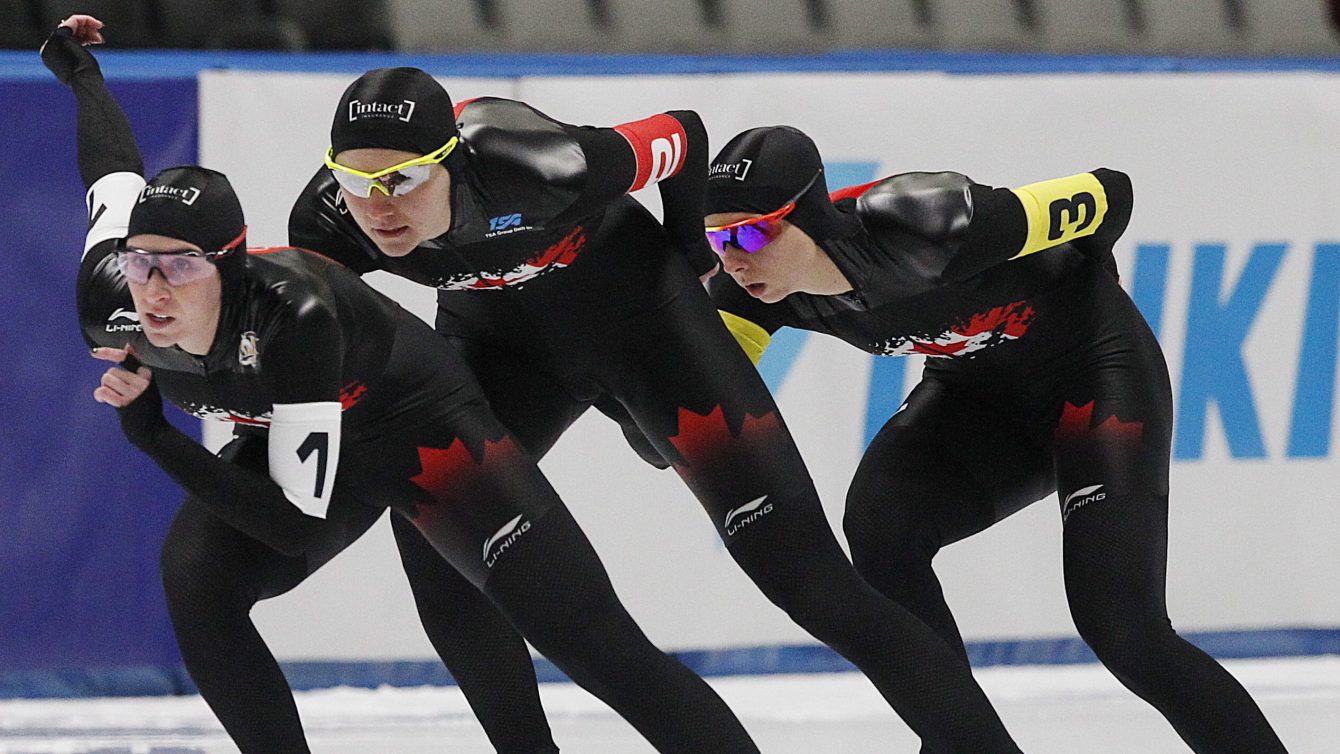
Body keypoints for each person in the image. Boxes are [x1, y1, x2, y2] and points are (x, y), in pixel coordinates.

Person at [43, 16, 763, 754]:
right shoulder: (113, 302)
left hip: (417, 425)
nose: (156, 291)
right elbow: (112, 177)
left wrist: (155, 435)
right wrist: (81, 77)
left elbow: (297, 526)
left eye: (183, 266)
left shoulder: (297, 315)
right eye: (142, 265)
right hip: (307, 428)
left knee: (591, 643)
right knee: (196, 578)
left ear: (233, 265)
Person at [287, 67, 1023, 753]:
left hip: (646, 325)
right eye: (356, 180)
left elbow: (684, 133)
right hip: (502, 347)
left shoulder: (543, 163)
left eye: (403, 179)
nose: (378, 205)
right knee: (436, 557)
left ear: (452, 160)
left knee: (808, 581)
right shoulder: (327, 225)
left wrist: (689, 259)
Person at [702, 125, 1290, 753]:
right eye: (718, 238)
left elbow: (1111, 194)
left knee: (1124, 630)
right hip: (974, 397)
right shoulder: (747, 298)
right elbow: (673, 429)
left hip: (1093, 375)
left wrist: (1089, 290)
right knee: (880, 525)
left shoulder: (927, 220)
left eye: (752, 231)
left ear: (809, 217)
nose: (735, 257)